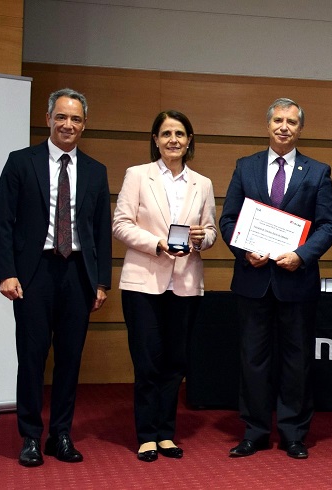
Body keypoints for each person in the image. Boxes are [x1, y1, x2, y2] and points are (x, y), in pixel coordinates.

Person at [0, 88, 112, 467]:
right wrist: (5, 273)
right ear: (48, 119)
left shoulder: (95, 171)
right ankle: (29, 435)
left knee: (70, 359)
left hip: (77, 273)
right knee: (31, 357)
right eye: (61, 117)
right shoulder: (20, 162)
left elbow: (101, 231)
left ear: (84, 124)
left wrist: (102, 281)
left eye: (75, 119)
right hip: (34, 273)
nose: (68, 124)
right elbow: (2, 223)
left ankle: (60, 434)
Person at [219, 98, 332, 460]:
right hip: (252, 279)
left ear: (300, 129)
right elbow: (228, 220)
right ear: (267, 125)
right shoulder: (245, 167)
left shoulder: (317, 172)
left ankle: (293, 433)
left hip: (296, 280)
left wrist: (301, 255)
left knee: (296, 359)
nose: (284, 126)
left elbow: (329, 225)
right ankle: (254, 431)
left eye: (291, 121)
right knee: (252, 359)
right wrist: (244, 251)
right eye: (278, 120)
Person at [112, 110, 217, 462]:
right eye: (166, 133)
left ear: (190, 141)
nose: (174, 139)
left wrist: (203, 238)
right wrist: (157, 243)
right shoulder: (137, 176)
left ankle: (166, 433)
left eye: (181, 134)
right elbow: (121, 224)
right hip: (144, 282)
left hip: (185, 283)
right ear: (155, 139)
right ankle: (146, 434)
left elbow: (211, 231)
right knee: (147, 360)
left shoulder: (202, 183)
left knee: (175, 361)